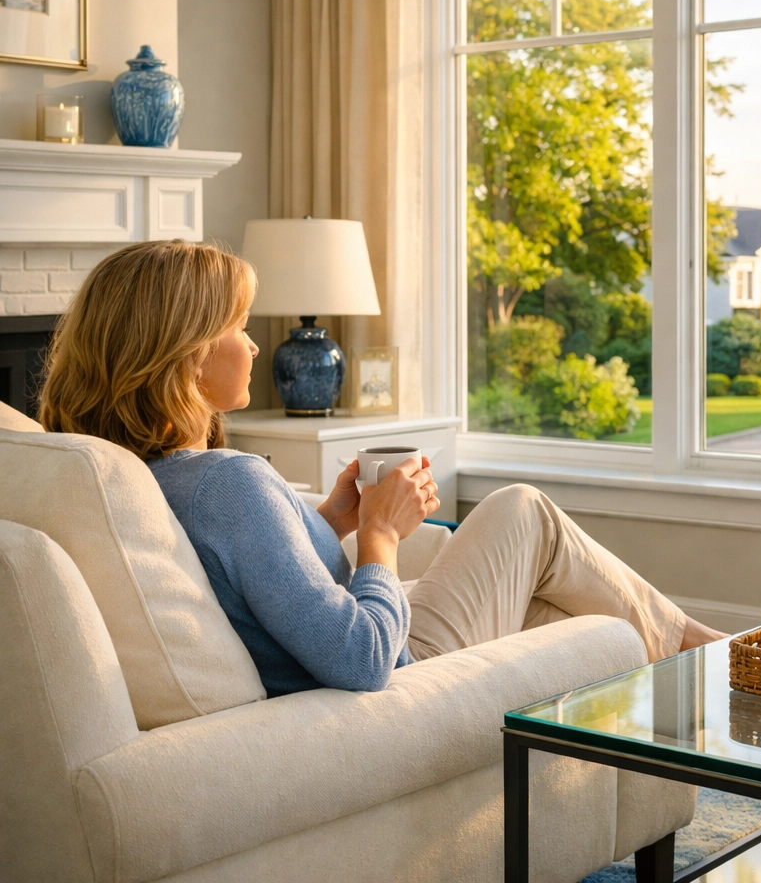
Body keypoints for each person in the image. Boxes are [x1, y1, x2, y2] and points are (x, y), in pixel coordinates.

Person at [40, 240, 725, 696]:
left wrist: (334, 519)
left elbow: (254, 574)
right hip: (397, 659)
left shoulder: (139, 474)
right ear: (189, 352)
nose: (253, 344)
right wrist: (382, 538)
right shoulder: (228, 481)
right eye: (240, 326)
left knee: (551, 601)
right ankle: (725, 659)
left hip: (346, 642)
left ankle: (710, 670)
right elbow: (363, 658)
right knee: (524, 511)